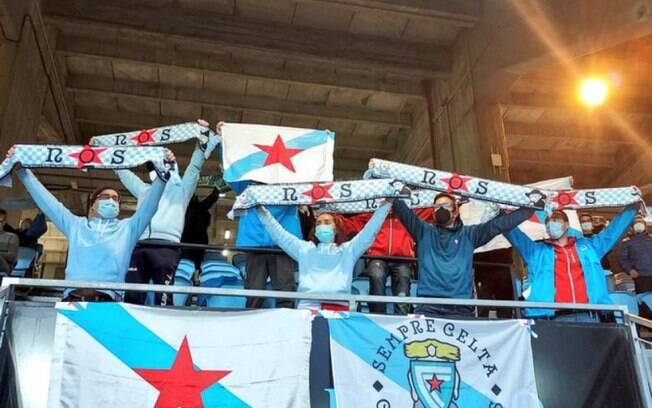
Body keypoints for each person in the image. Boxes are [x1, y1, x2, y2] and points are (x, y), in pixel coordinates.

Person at [6, 147, 174, 301]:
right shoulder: (75, 225)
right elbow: (47, 202)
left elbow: (150, 205)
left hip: (108, 305)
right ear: (93, 205)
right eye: (106, 197)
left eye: (116, 199)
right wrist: (22, 172)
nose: (112, 201)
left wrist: (162, 176)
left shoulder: (128, 228)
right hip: (72, 303)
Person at [108, 120, 218, 306]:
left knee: (164, 299)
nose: (165, 167)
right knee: (133, 297)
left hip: (167, 248)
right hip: (140, 245)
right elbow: (123, 172)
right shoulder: (144, 190)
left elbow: (194, 167)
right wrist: (103, 152)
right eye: (160, 164)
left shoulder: (183, 191)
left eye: (168, 163)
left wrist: (201, 138)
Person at [393, 193, 534, 317]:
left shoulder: (469, 234)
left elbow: (500, 225)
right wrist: (389, 185)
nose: (440, 209)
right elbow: (402, 210)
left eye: (446, 205)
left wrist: (530, 208)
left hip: (460, 307)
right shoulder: (423, 231)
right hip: (428, 306)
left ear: (455, 211)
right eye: (436, 206)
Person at [506, 206, 638, 321]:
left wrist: (633, 207)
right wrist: (499, 214)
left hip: (589, 317)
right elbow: (510, 230)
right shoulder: (534, 250)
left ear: (567, 225)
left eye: (556, 219)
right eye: (547, 222)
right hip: (550, 320)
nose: (551, 223)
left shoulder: (589, 246)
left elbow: (614, 230)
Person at [256, 202, 391, 310]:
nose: (322, 226)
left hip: (339, 308)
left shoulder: (348, 250)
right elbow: (279, 234)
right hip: (307, 308)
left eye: (327, 222)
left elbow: (371, 230)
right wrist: (260, 210)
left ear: (336, 227)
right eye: (318, 223)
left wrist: (387, 203)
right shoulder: (305, 249)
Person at [340, 206, 433, 315]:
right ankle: (377, 317)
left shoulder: (410, 211)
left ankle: (401, 319)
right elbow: (352, 224)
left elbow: (432, 210)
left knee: (403, 282)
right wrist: (334, 216)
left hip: (402, 258)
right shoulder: (374, 211)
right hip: (377, 257)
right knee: (376, 275)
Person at [233, 181, 302, 309]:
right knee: (254, 295)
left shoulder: (294, 179)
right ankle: (251, 325)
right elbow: (234, 175)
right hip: (256, 242)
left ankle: (286, 326)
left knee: (285, 294)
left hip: (283, 243)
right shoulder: (247, 181)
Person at [173, 188, 220, 306]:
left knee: (185, 265)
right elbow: (211, 200)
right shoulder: (201, 207)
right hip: (199, 242)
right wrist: (217, 190)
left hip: (186, 242)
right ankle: (195, 282)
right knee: (197, 264)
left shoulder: (183, 209)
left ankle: (187, 284)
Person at [618, 215, 652, 293]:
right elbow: (622, 259)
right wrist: (629, 270)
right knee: (644, 301)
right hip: (641, 277)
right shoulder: (627, 242)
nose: (639, 224)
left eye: (641, 222)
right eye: (636, 222)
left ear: (645, 225)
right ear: (632, 226)